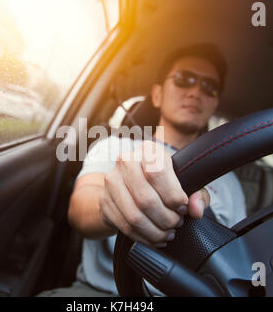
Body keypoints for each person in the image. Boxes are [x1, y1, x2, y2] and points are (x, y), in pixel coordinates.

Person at [38, 43, 247, 297]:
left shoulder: (229, 178)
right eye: (184, 79)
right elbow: (81, 207)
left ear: (214, 104)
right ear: (157, 94)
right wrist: (111, 206)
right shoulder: (115, 146)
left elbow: (238, 255)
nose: (195, 92)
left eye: (208, 87)